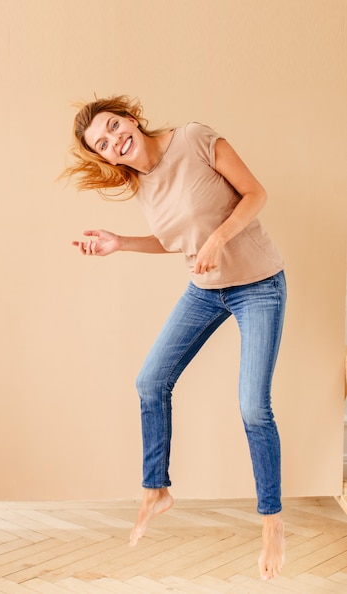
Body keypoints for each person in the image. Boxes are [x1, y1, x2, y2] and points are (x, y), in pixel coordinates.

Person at [65, 95, 286, 581]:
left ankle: (271, 523)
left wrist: (218, 239)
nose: (114, 140)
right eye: (103, 143)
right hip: (206, 290)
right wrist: (119, 243)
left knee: (253, 406)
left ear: (128, 117)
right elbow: (174, 239)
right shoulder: (140, 184)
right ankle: (156, 489)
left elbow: (256, 195)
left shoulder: (193, 138)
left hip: (258, 286)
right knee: (150, 381)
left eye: (113, 126)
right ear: (106, 156)